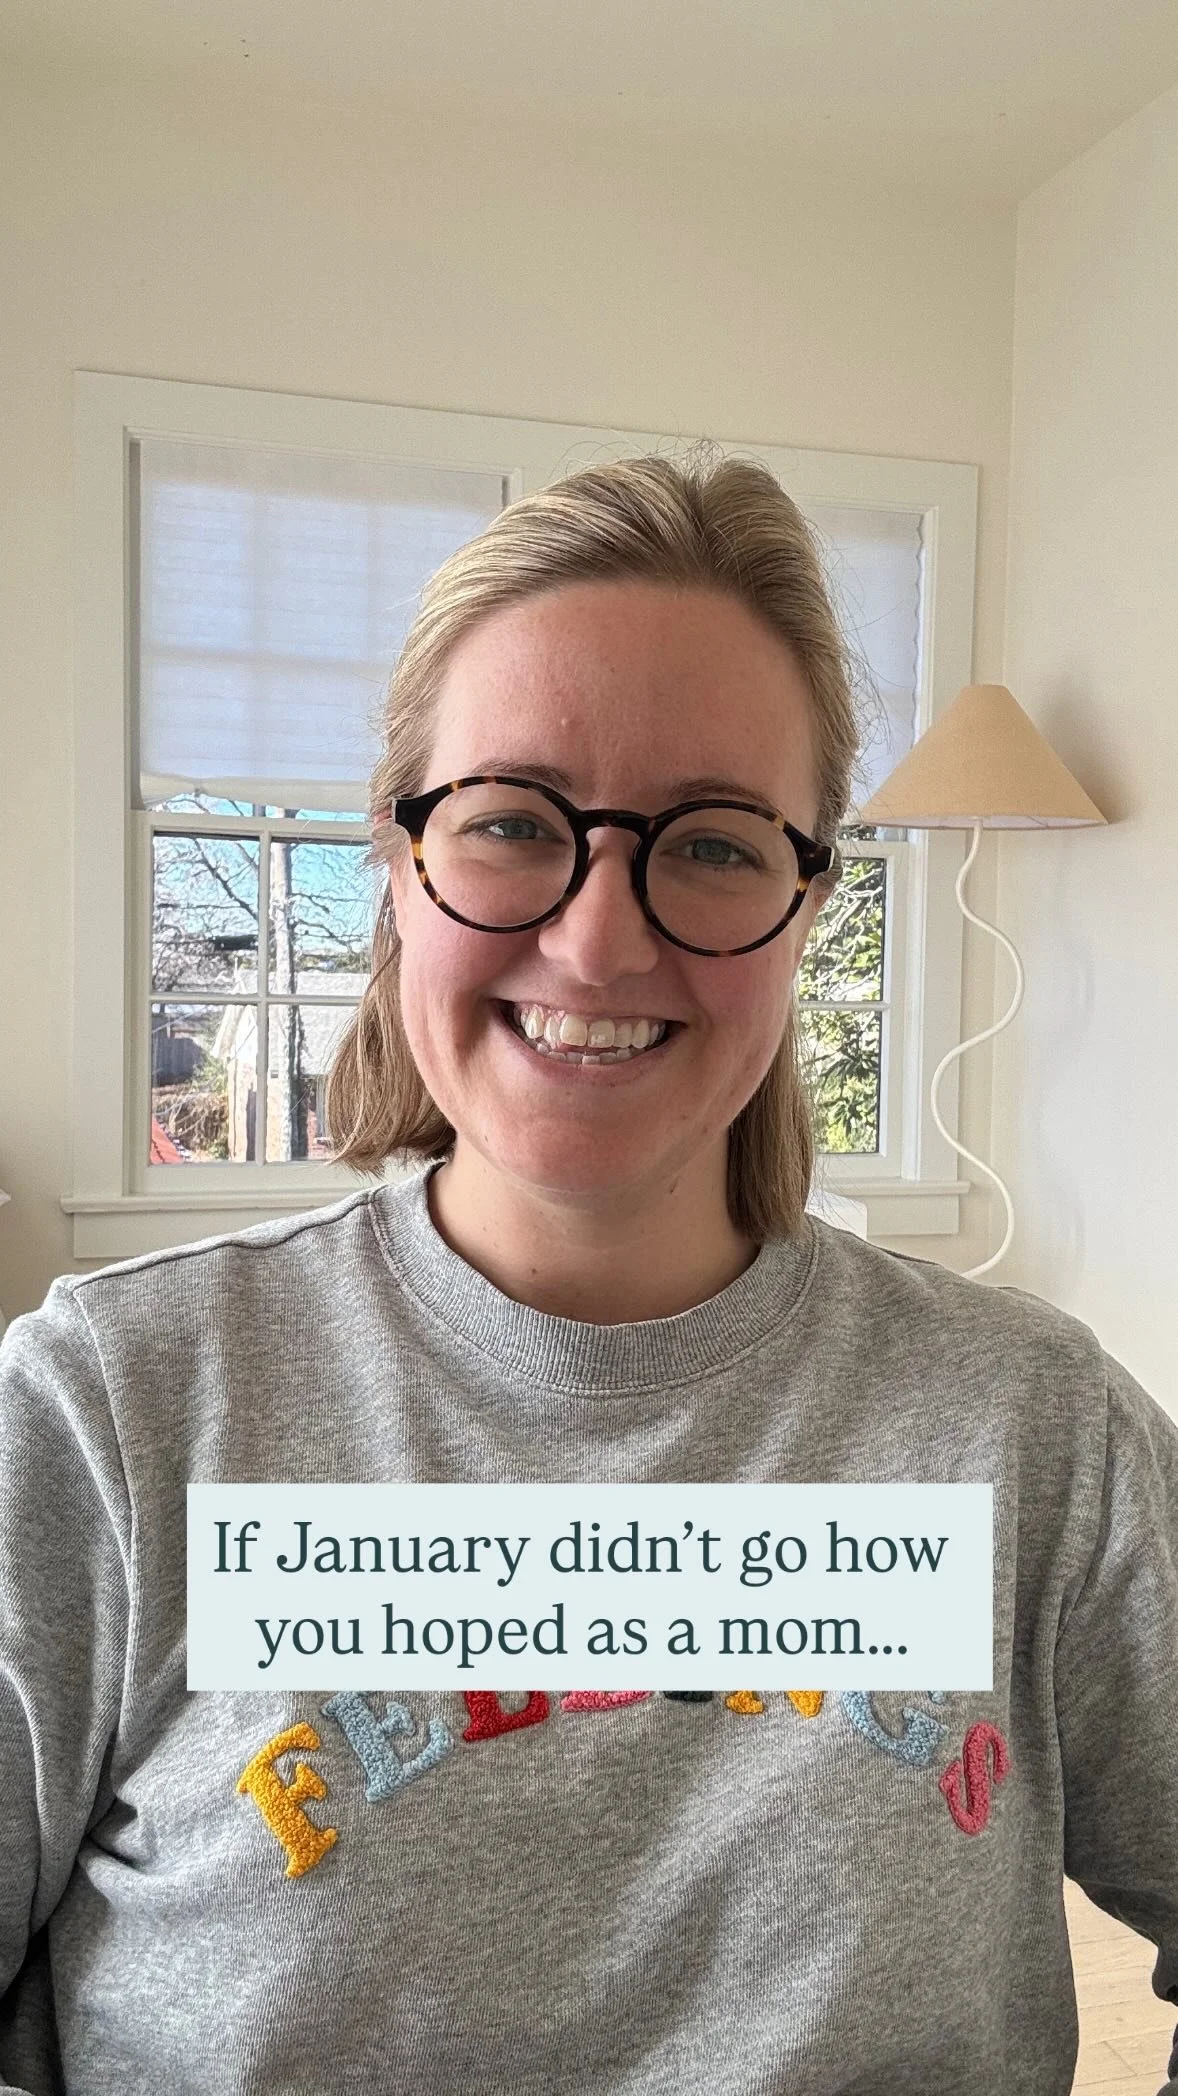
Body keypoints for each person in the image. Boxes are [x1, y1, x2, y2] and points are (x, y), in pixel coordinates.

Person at [1, 450, 1176, 2096]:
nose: (600, 939)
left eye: (711, 844)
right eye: (510, 823)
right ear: (399, 862)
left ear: (805, 906)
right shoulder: (109, 1415)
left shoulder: (1035, 1434)